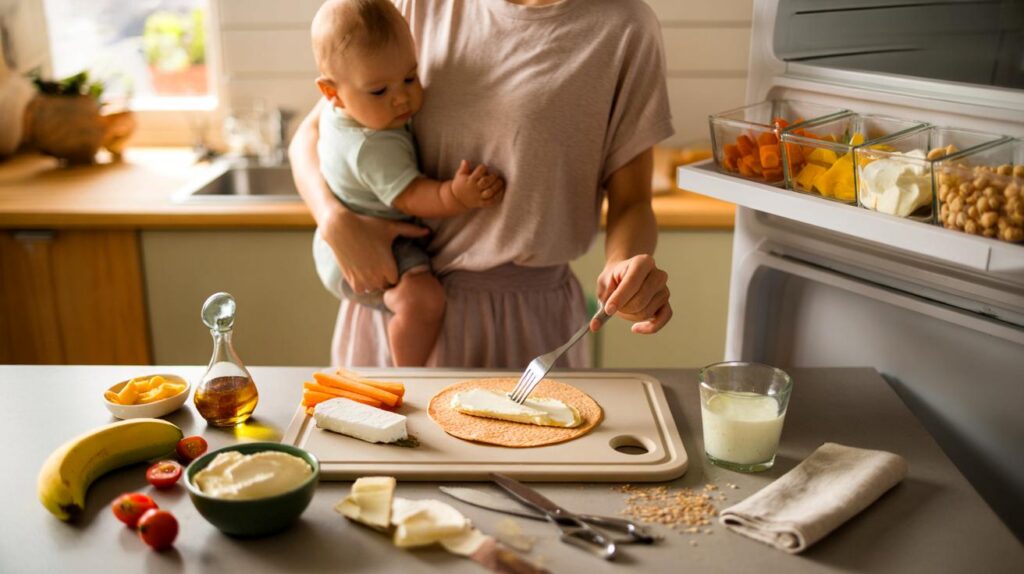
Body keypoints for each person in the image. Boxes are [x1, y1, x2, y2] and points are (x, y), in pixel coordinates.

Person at [290, 0, 674, 368]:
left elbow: (632, 202)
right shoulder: (414, 5)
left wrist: (625, 267)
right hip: (393, 303)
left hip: (522, 325)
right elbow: (314, 132)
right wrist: (333, 218)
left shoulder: (625, 29)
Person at [308, 0, 506, 366]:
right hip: (372, 244)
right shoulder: (371, 145)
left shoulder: (352, 107)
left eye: (410, 77)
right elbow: (412, 197)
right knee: (423, 301)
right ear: (332, 93)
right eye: (380, 91)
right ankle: (408, 373)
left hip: (346, 236)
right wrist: (456, 195)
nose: (401, 96)